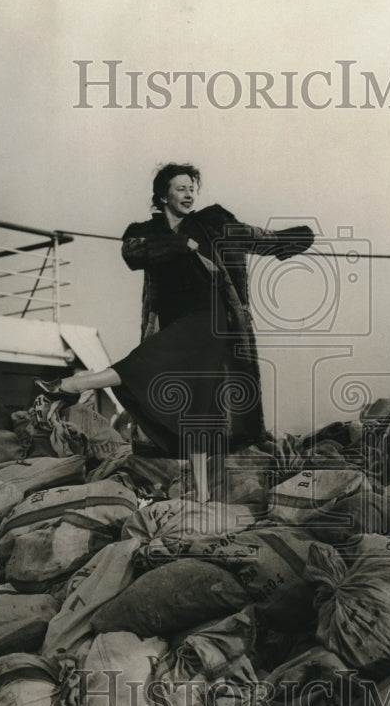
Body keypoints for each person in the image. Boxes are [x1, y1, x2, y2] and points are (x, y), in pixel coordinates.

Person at [37, 163, 314, 501]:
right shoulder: (145, 231)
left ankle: (70, 385)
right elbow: (133, 252)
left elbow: (255, 237)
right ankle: (199, 496)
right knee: (197, 405)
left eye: (192, 188)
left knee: (154, 371)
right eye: (180, 188)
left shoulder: (212, 221)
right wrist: (183, 244)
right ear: (162, 195)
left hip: (213, 321)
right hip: (176, 323)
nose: (189, 194)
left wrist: (297, 238)